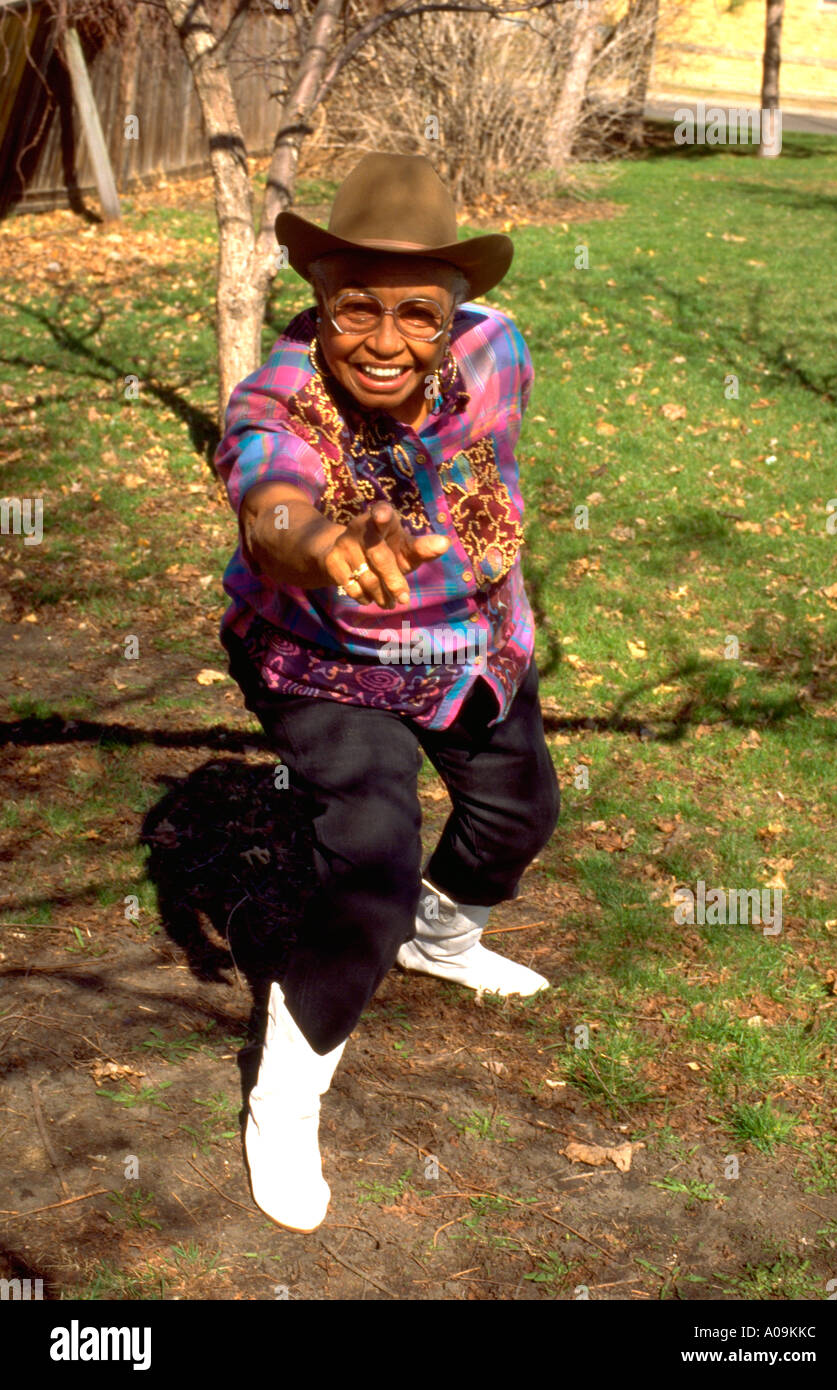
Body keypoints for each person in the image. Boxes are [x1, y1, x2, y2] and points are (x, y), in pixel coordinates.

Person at [213, 152, 561, 1234]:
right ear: (318, 299)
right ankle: (285, 1097)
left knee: (518, 813)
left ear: (454, 310)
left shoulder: (495, 349)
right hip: (326, 657)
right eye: (353, 306)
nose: (382, 339)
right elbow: (266, 491)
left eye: (416, 311)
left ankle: (440, 939)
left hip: (468, 641)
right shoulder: (277, 389)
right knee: (368, 857)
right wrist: (318, 540)